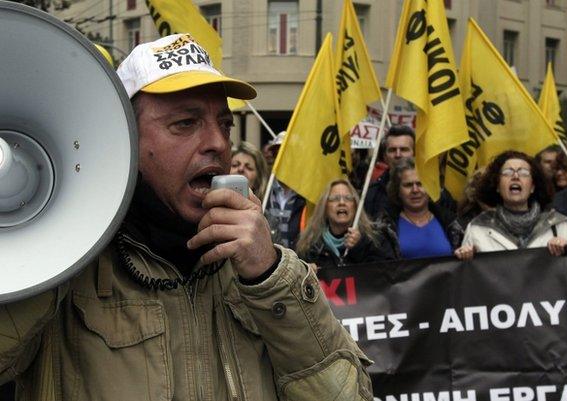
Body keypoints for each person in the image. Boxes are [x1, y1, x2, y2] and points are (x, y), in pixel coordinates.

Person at [0, 34, 372, 400]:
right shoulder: (69, 261)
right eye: (185, 123)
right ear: (124, 137)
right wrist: (48, 253)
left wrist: (270, 278)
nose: (218, 142)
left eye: (224, 124)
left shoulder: (260, 268)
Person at [454, 151, 567, 260]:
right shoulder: (477, 228)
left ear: (533, 187)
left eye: (524, 173)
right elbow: (469, 280)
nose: (515, 176)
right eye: (507, 172)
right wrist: (466, 258)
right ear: (497, 186)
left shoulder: (557, 225)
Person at [296, 179, 399, 268]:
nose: (342, 203)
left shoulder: (376, 239)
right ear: (325, 207)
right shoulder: (309, 246)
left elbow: (387, 276)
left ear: (355, 205)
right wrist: (307, 273)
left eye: (348, 198)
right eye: (335, 199)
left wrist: (359, 246)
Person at [385, 158, 454, 259]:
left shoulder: (451, 223)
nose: (415, 190)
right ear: (397, 190)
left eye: (420, 184)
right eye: (408, 185)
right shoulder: (385, 228)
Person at [263, 131, 307, 249]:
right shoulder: (262, 191)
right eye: (278, 155)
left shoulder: (308, 195)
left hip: (299, 263)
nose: (283, 159)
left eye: (290, 154)